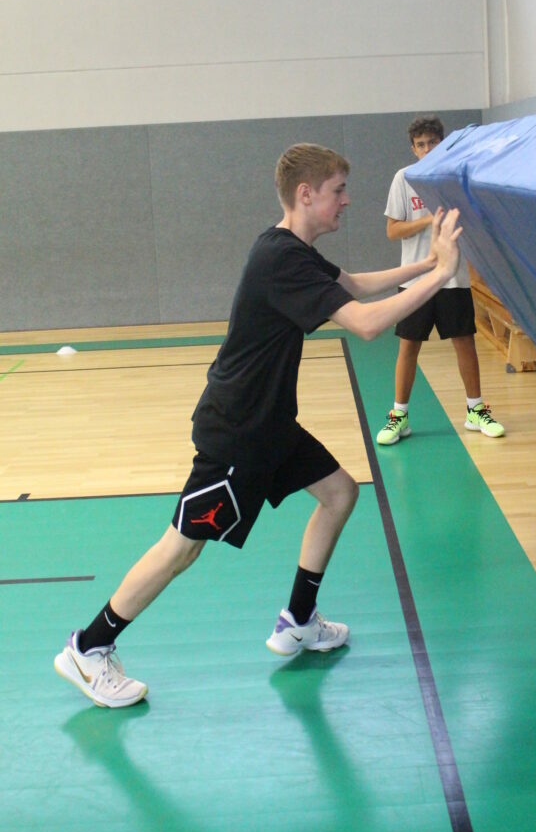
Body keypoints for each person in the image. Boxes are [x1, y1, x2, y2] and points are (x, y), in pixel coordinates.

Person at [54, 142, 463, 708]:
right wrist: (442, 276)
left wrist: (428, 263)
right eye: (339, 190)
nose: (347, 201)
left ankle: (299, 619)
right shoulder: (281, 259)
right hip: (238, 431)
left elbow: (354, 284)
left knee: (340, 492)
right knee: (182, 547)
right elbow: (367, 324)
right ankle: (89, 646)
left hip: (270, 425)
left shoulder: (293, 250)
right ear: (306, 194)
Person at [376, 115, 504, 446]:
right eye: (420, 144)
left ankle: (475, 411)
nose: (427, 149)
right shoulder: (403, 179)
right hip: (416, 278)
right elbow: (392, 230)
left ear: (442, 143)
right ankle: (400, 416)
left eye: (432, 142)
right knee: (409, 346)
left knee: (465, 342)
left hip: (452, 276)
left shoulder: (454, 179)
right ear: (413, 148)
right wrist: (428, 219)